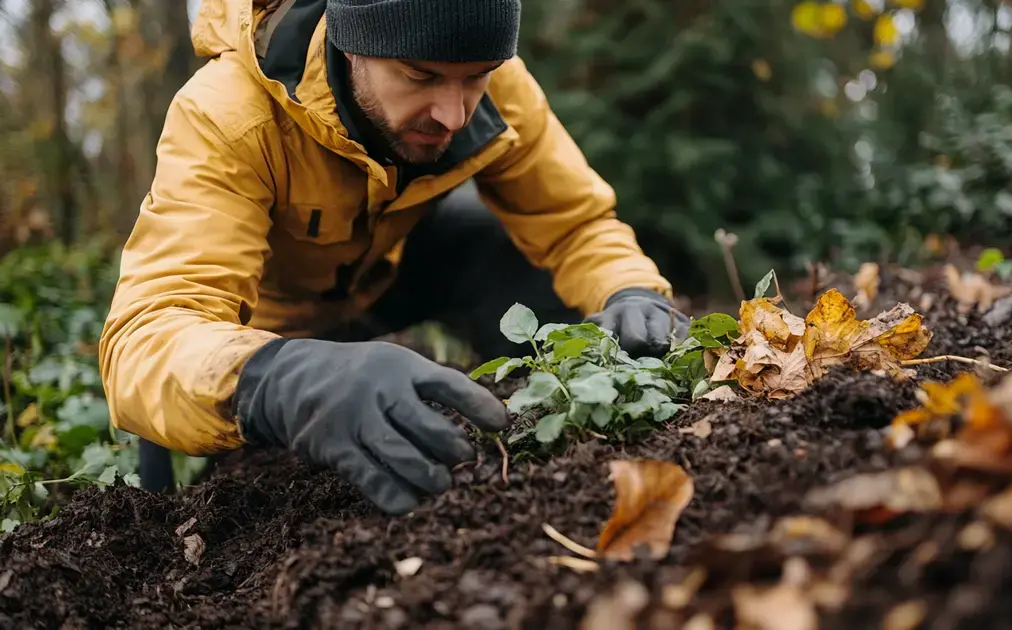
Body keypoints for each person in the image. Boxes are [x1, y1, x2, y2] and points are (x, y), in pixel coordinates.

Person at [98, 0, 687, 515]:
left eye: (475, 77)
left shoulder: (500, 91)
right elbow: (145, 338)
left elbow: (574, 222)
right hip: (273, 335)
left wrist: (630, 289)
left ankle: (540, 435)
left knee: (496, 245)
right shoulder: (229, 116)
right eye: (420, 75)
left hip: (386, 279)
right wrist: (281, 380)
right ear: (350, 46)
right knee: (187, 439)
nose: (453, 114)